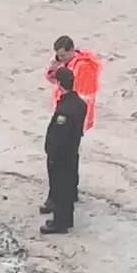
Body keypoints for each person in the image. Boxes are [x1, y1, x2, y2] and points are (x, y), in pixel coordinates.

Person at [40, 35, 101, 213]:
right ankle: (70, 192)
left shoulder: (84, 67)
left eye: (63, 56)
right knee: (70, 158)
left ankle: (57, 197)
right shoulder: (67, 63)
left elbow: (85, 95)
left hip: (73, 117)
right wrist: (54, 65)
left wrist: (77, 122)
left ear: (72, 51)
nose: (61, 59)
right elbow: (52, 77)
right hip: (69, 111)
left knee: (60, 160)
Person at [42, 66, 87, 235]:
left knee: (60, 189)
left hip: (62, 155)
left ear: (60, 84)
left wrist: (51, 153)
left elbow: (58, 136)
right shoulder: (80, 104)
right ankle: (67, 219)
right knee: (68, 187)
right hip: (73, 151)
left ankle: (59, 223)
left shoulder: (64, 110)